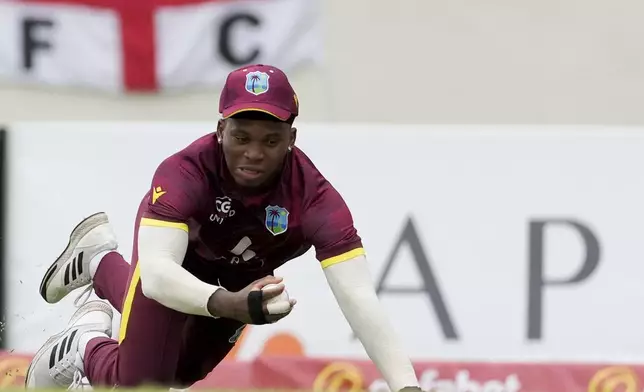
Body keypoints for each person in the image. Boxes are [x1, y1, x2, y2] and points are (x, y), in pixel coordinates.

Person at [25, 64, 421, 391]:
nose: (253, 152)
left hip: (238, 286)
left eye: (270, 140)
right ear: (220, 131)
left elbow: (359, 298)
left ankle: (99, 262)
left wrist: (407, 387)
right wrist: (230, 303)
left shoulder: (315, 199)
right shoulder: (184, 171)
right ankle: (85, 343)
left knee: (183, 375)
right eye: (241, 137)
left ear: (292, 140)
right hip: (179, 270)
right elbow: (158, 277)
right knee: (143, 384)